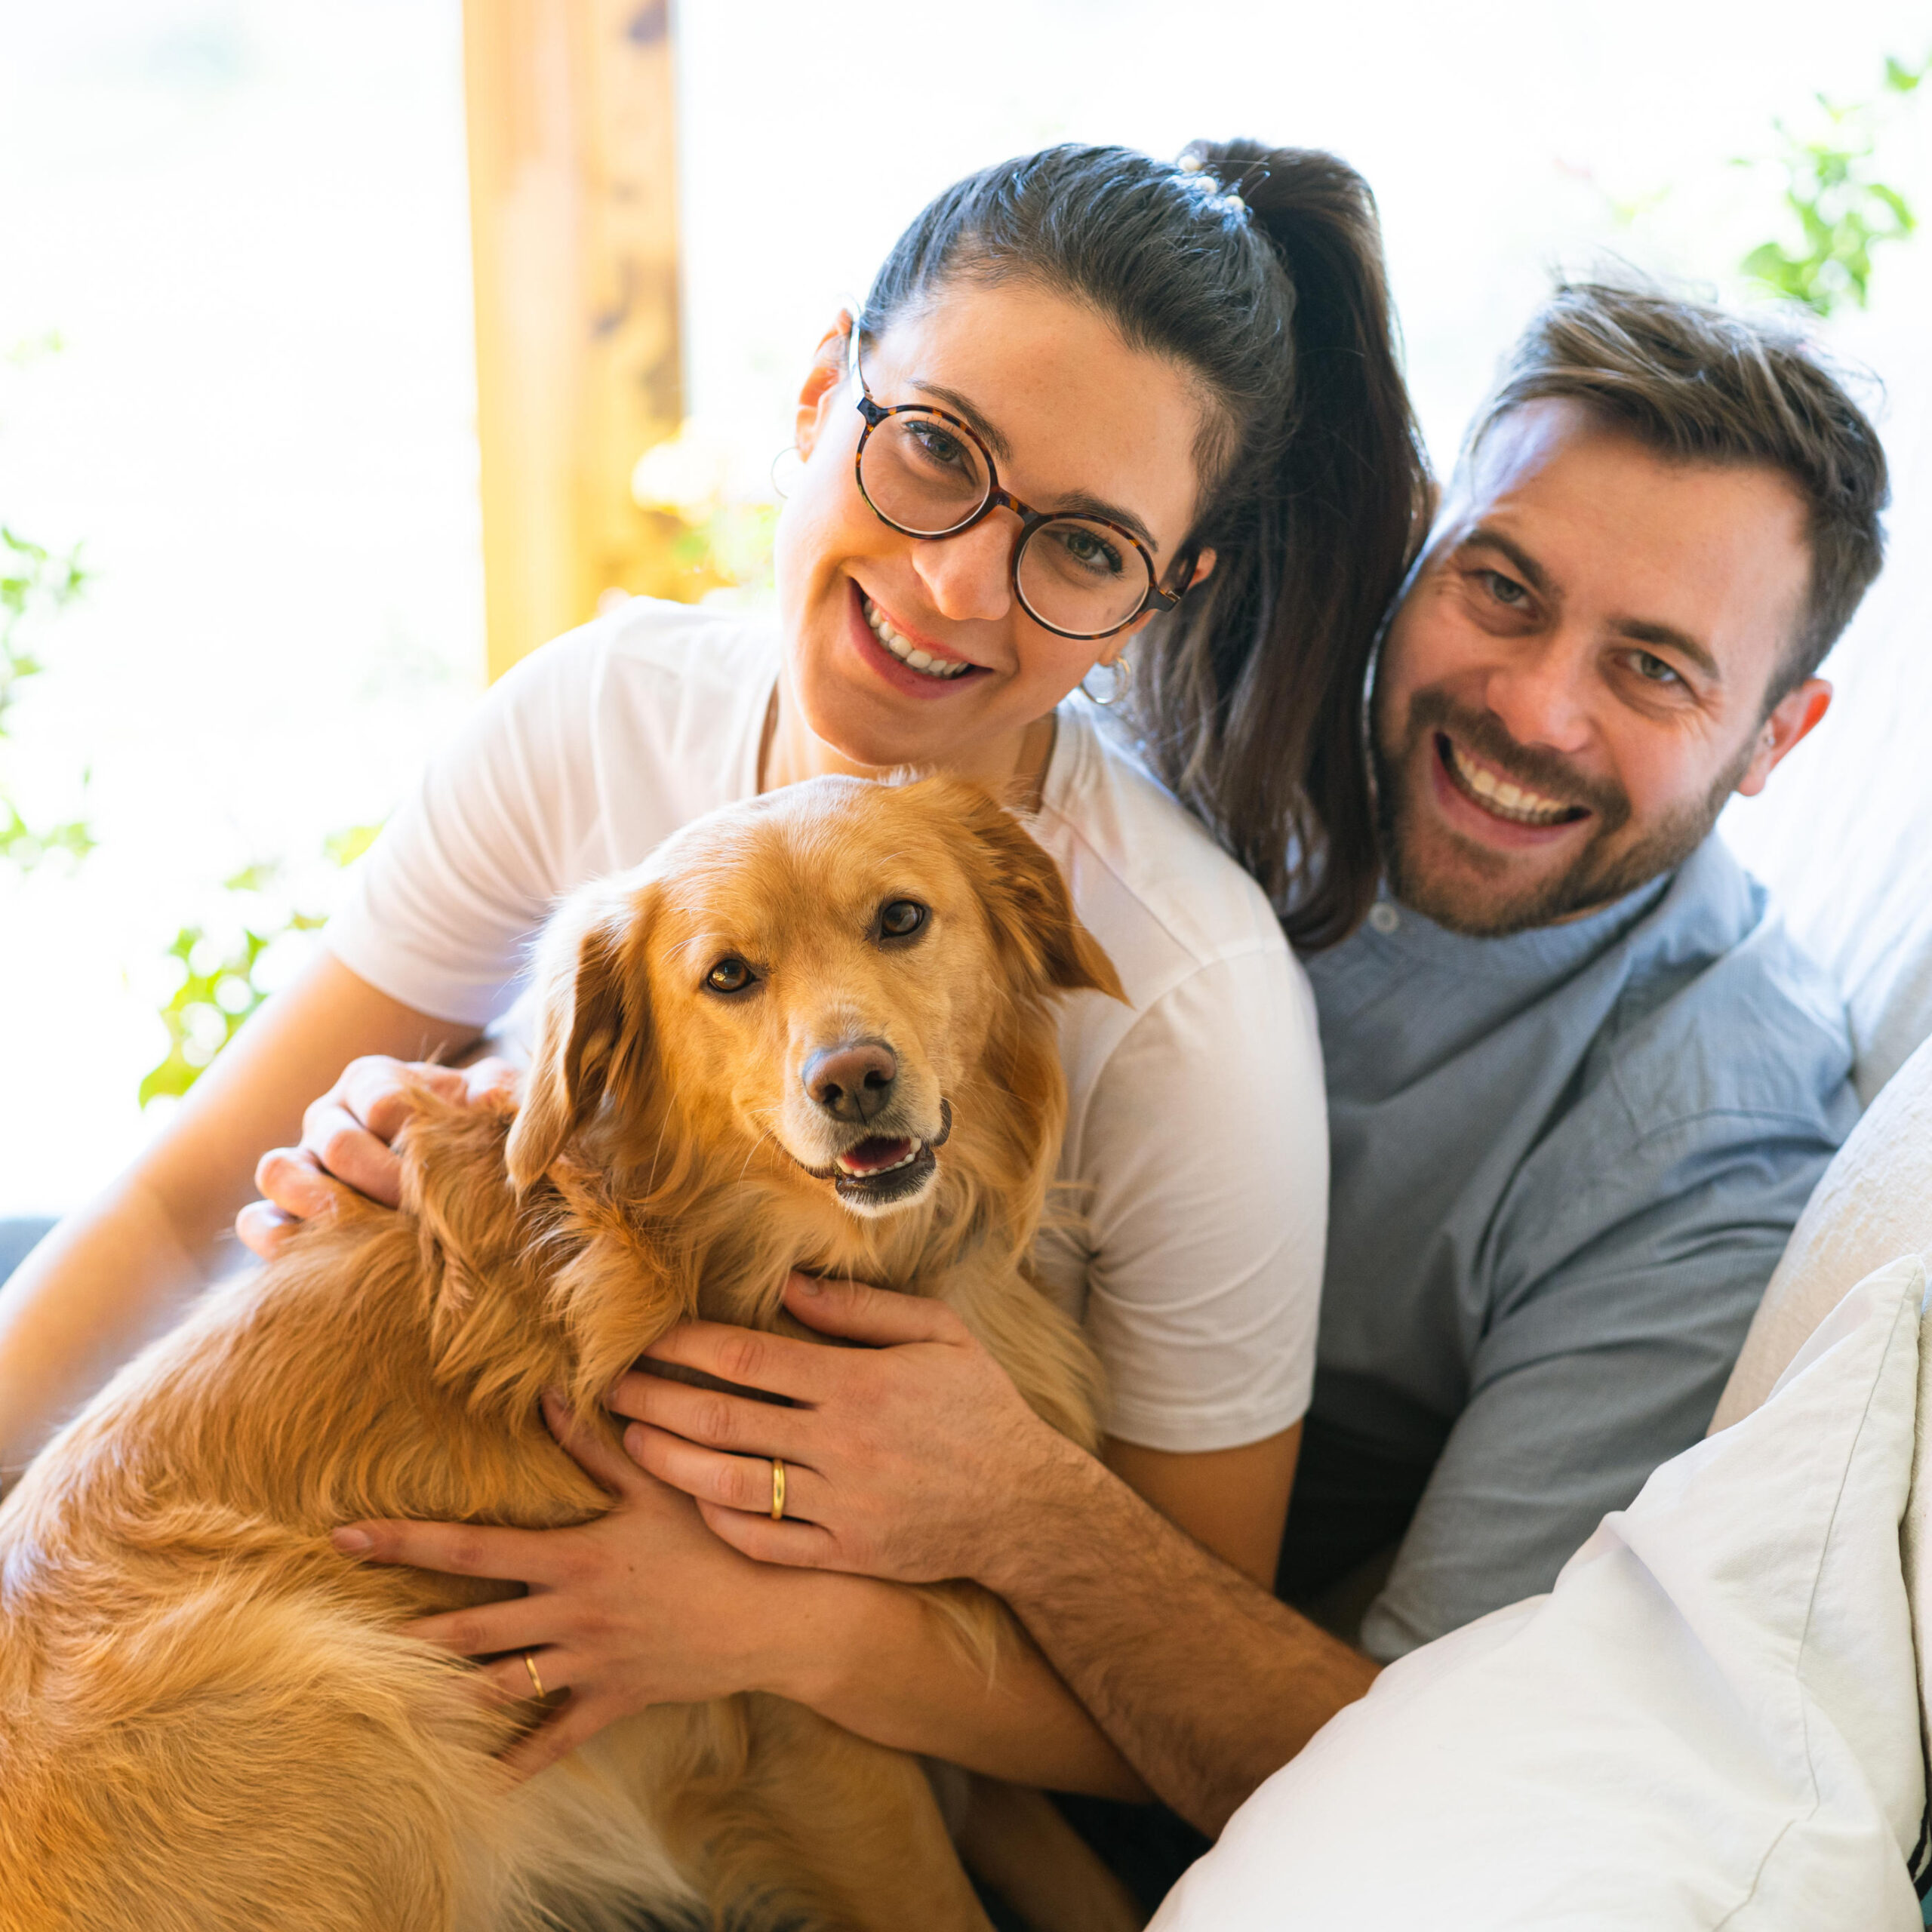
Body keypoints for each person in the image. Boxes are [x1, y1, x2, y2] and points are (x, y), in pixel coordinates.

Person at [0, 143, 1430, 1798]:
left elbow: (1213, 1696)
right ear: (825, 386)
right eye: (934, 450)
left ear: (1160, 592)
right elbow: (185, 1211)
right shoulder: (592, 713)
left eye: (1084, 545)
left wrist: (787, 1629)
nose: (959, 580)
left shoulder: (1184, 998)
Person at [508, 281, 1877, 1854]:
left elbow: (1437, 1768)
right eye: (1498, 588)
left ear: (1779, 735)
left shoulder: (1699, 1136)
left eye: (1653, 667)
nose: (1528, 705)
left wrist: (935, 1553)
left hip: (1106, 1708)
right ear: (1413, 554)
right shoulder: (1169, 728)